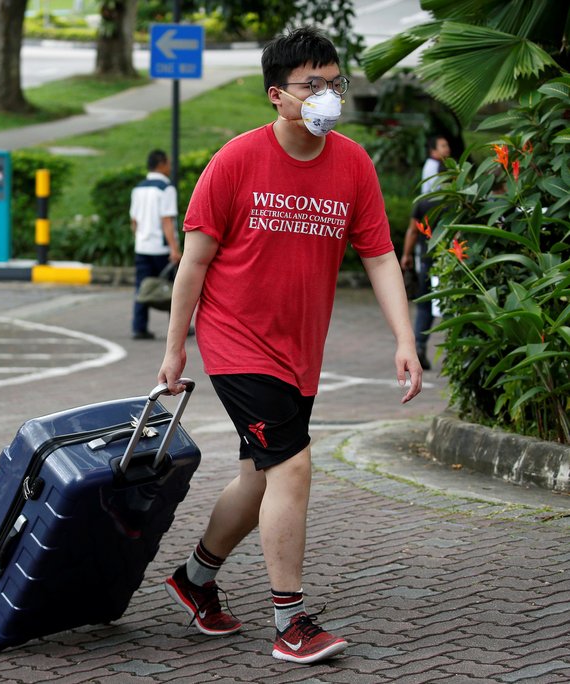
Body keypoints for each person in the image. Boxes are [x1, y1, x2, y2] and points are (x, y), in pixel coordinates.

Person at [157, 27, 423, 664]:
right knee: (294, 465)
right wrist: (175, 349)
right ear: (278, 95)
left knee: (262, 474)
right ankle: (290, 621)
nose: (327, 95)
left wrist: (405, 339)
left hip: (300, 351)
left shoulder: (353, 163)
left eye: (335, 83)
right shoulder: (237, 161)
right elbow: (192, 264)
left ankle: (193, 581)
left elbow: (381, 256)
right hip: (236, 340)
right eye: (313, 85)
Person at [401, 134, 451, 370]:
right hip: (450, 260)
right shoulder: (454, 203)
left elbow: (412, 232)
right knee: (449, 305)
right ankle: (456, 349)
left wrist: (407, 255)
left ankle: (419, 345)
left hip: (426, 258)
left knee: (424, 303)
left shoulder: (423, 203)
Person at [130, 149, 181, 340]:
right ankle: (175, 330)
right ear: (161, 164)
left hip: (142, 246)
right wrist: (174, 249)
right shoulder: (166, 188)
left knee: (142, 288)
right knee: (173, 288)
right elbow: (166, 220)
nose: (170, 166)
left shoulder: (139, 188)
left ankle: (139, 327)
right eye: (168, 162)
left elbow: (134, 221)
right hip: (161, 248)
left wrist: (139, 238)